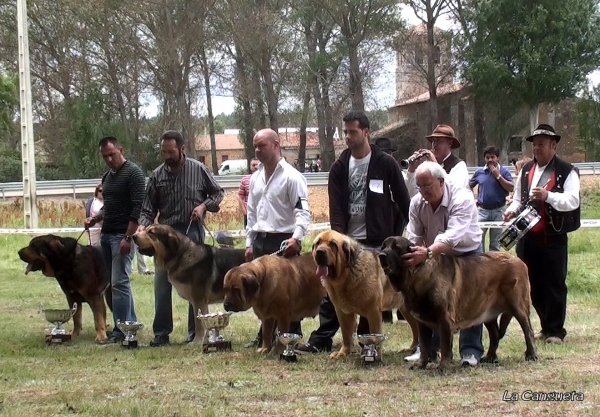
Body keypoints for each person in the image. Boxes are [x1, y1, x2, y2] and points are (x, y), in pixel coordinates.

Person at [296, 111, 410, 354]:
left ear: (366, 132)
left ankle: (368, 345)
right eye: (345, 132)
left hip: (378, 241)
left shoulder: (385, 163)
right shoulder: (339, 167)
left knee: (371, 296)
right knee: (332, 291)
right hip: (346, 243)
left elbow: (403, 202)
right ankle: (322, 340)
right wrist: (337, 241)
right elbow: (336, 207)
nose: (347, 136)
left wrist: (395, 237)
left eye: (352, 132)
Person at [137, 130, 225, 347]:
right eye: (163, 152)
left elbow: (218, 193)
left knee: (196, 285)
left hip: (191, 233)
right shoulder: (157, 175)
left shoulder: (199, 169)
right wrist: (143, 224)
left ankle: (195, 333)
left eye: (171, 151)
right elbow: (148, 208)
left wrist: (203, 206)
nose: (167, 155)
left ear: (182, 148)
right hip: (164, 239)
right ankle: (161, 333)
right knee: (162, 284)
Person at [503, 124, 580, 344]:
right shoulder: (527, 170)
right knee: (532, 283)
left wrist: (549, 196)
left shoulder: (567, 171)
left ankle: (555, 330)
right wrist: (510, 211)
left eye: (541, 145)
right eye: (535, 145)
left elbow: (572, 201)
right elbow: (518, 198)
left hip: (553, 236)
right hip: (528, 237)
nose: (536, 149)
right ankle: (545, 326)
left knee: (554, 283)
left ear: (553, 146)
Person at [403, 161, 484, 366]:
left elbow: (453, 236)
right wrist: (414, 254)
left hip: (466, 253)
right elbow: (413, 235)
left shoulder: (462, 198)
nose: (423, 192)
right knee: (431, 300)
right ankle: (429, 350)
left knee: (470, 299)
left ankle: (470, 351)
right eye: (419, 186)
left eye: (427, 186)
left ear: (441, 181)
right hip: (433, 255)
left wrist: (428, 252)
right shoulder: (416, 203)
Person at [244, 128, 311, 348]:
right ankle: (265, 337)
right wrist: (249, 242)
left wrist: (297, 238)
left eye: (261, 145)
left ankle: (292, 338)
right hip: (260, 241)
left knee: (287, 293)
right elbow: (251, 214)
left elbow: (302, 212)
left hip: (283, 241)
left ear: (275, 144)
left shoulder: (292, 177)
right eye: (255, 146)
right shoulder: (254, 179)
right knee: (262, 293)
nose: (257, 150)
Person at [84, 136, 146, 344]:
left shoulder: (134, 173)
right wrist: (95, 219)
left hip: (123, 235)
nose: (109, 159)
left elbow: (138, 207)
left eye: (112, 154)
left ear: (121, 149)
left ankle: (121, 331)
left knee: (119, 282)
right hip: (106, 235)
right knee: (114, 283)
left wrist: (128, 237)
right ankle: (130, 324)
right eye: (105, 156)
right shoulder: (107, 177)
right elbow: (108, 206)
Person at [373, 136, 404, 323]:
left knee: (397, 268)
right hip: (380, 223)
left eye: (389, 153)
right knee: (381, 270)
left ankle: (401, 310)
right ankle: (384, 312)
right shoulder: (375, 172)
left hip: (396, 218)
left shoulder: (396, 171)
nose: (387, 156)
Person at [468, 146, 514, 252]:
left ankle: (494, 267)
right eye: (487, 157)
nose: (490, 160)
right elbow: (469, 185)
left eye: (492, 157)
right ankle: (481, 265)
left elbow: (511, 187)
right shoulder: (480, 172)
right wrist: (473, 198)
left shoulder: (504, 171)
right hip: (482, 211)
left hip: (499, 210)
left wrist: (498, 176)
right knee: (478, 241)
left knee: (495, 243)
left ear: (497, 158)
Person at [405, 124, 469, 197]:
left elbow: (453, 190)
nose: (434, 145)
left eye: (439, 141)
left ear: (450, 143)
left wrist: (435, 165)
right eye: (433, 141)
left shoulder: (459, 165)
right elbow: (412, 194)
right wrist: (411, 171)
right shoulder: (426, 165)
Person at [237, 157, 260, 228]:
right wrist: (245, 212)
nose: (255, 167)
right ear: (250, 167)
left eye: (257, 165)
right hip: (249, 214)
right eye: (253, 165)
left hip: (262, 215)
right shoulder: (245, 180)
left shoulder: (266, 179)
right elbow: (239, 197)